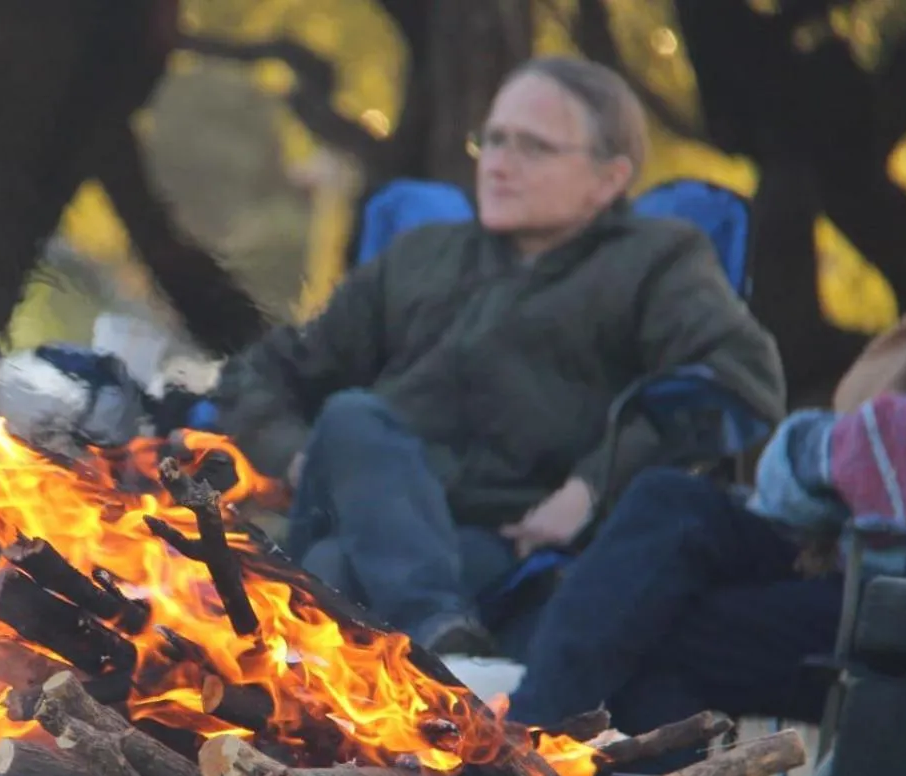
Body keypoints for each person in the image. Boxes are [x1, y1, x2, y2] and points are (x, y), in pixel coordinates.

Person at [210, 56, 784, 656]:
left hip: (500, 539)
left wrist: (592, 488)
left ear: (609, 179)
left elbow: (738, 382)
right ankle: (441, 639)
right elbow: (263, 375)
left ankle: (402, 675)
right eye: (493, 140)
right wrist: (298, 457)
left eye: (533, 147)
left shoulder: (655, 262)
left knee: (334, 568)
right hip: (359, 509)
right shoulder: (421, 255)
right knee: (353, 420)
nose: (499, 165)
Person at [508, 297, 906, 743]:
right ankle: (529, 743)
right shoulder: (460, 258)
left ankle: (528, 759)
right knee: (670, 501)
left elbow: (866, 456)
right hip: (875, 555)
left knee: (663, 629)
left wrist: (800, 455)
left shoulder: (663, 252)